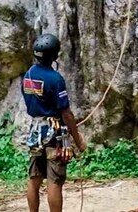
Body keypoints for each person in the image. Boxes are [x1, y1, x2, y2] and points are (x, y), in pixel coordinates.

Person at [22, 33, 87, 212]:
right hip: (53, 134)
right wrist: (78, 139)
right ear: (54, 55)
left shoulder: (27, 75)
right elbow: (66, 113)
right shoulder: (55, 79)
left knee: (34, 179)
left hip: (35, 132)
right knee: (55, 181)